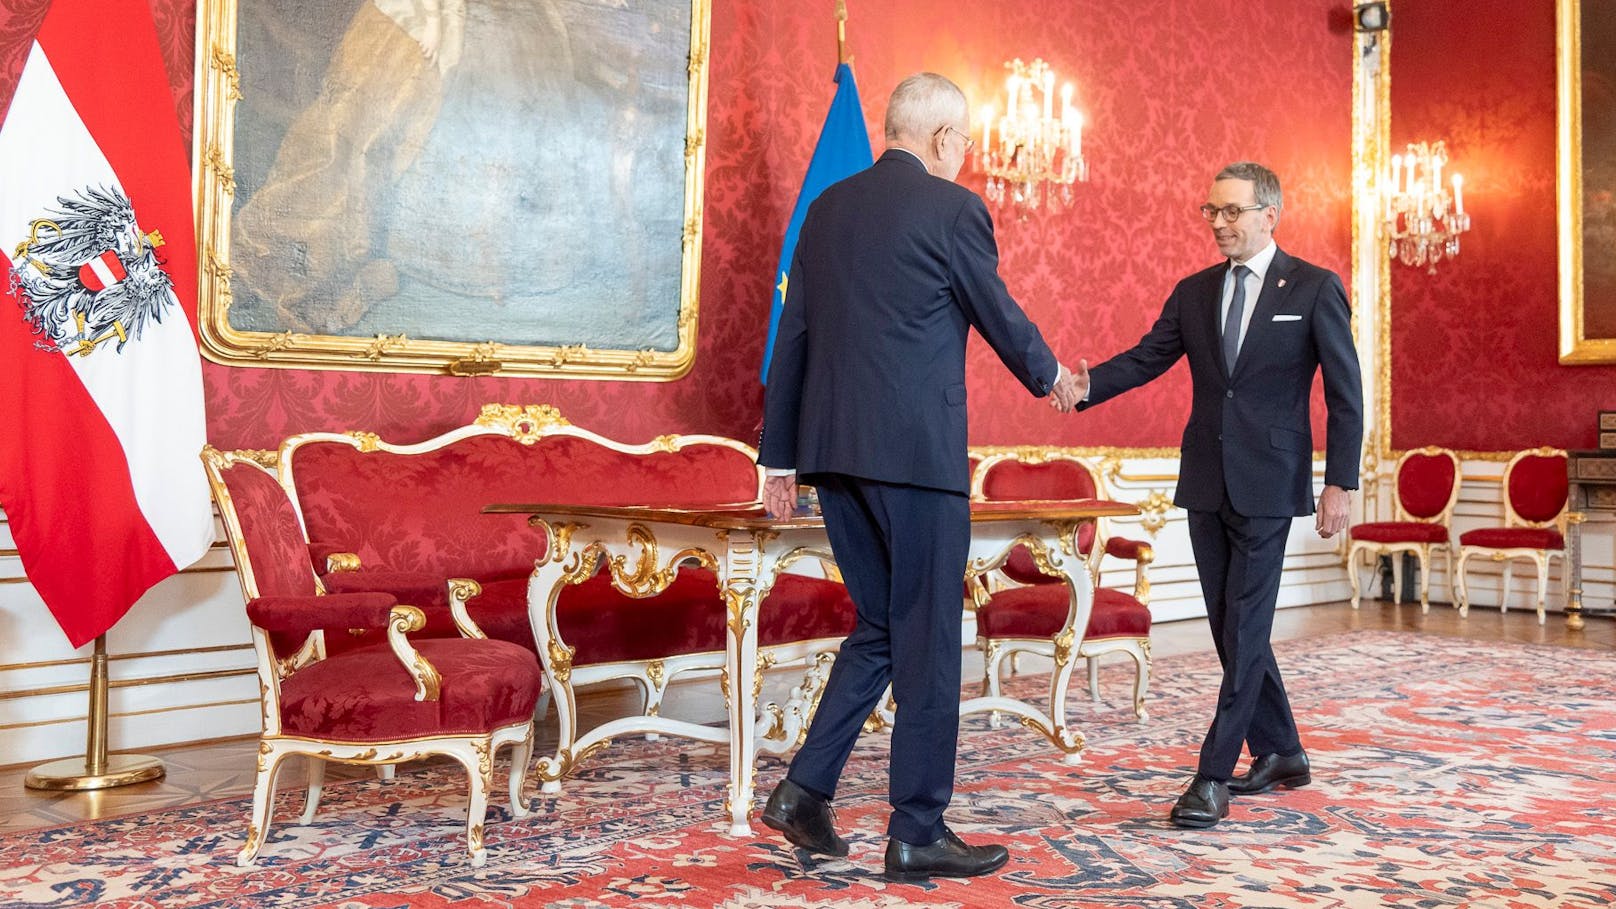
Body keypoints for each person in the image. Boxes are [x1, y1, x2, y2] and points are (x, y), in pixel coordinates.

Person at [756, 72, 1084, 881]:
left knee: (883, 623)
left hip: (833, 457)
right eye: (964, 143)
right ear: (942, 139)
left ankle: (805, 789)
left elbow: (793, 335)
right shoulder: (954, 208)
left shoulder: (827, 209)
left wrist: (779, 456)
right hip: (917, 460)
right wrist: (1053, 378)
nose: (965, 157)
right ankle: (918, 828)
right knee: (931, 634)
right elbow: (996, 308)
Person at [1076, 161, 1363, 828]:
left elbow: (1346, 397)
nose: (1219, 222)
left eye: (1232, 211)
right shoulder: (1194, 290)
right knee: (1232, 630)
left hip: (1270, 482)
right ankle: (1284, 750)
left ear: (1270, 214)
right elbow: (1147, 357)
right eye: (1212, 211)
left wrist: (1340, 483)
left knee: (1245, 624)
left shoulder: (1316, 288)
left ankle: (1211, 775)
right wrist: (1084, 385)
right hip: (1206, 477)